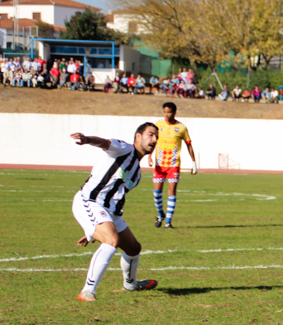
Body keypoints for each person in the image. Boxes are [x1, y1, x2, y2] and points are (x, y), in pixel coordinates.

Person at [70, 124, 160, 301]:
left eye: (156, 137)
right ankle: (88, 291)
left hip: (110, 212)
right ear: (138, 136)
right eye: (150, 135)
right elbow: (104, 143)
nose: (154, 140)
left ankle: (131, 284)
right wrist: (87, 140)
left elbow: (116, 197)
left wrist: (94, 228)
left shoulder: (137, 175)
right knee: (111, 240)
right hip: (90, 201)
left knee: (134, 248)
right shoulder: (124, 148)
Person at [147, 102, 197, 229]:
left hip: (173, 165)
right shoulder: (158, 125)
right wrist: (149, 155)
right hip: (159, 164)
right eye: (164, 112)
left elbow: (188, 144)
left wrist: (194, 162)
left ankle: (168, 221)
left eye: (169, 112)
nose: (166, 114)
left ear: (175, 112)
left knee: (171, 192)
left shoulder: (181, 128)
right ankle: (160, 214)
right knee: (156, 192)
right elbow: (153, 141)